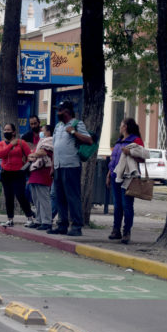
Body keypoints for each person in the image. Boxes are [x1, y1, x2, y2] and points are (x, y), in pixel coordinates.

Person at [49, 100, 93, 237]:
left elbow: (89, 140)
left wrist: (73, 132)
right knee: (60, 197)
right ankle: (62, 225)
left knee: (72, 197)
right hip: (59, 166)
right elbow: (55, 147)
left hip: (71, 165)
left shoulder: (77, 124)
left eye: (60, 110)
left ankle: (76, 226)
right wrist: (52, 166)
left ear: (66, 112)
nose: (57, 113)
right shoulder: (58, 126)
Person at [106, 118, 146, 244]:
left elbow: (142, 158)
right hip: (115, 176)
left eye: (121, 125)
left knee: (127, 205)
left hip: (128, 177)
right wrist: (109, 174)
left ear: (126, 127)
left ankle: (127, 232)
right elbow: (114, 160)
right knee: (117, 205)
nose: (120, 127)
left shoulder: (136, 140)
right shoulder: (119, 141)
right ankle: (116, 230)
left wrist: (130, 153)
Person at [0, 123, 34, 227]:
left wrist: (24, 167)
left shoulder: (21, 143)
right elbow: (0, 155)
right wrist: (11, 145)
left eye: (8, 130)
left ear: (14, 132)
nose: (6, 132)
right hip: (6, 173)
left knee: (20, 195)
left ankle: (29, 217)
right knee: (8, 196)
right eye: (5, 130)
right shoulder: (1, 144)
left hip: (18, 173)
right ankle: (10, 219)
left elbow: (30, 156)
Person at [26, 124, 54, 230]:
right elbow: (33, 154)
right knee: (36, 199)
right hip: (35, 172)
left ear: (48, 132)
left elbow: (42, 152)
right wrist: (33, 155)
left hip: (43, 172)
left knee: (43, 198)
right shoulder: (41, 142)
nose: (41, 131)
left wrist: (34, 155)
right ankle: (38, 220)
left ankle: (47, 221)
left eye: (43, 130)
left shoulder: (50, 140)